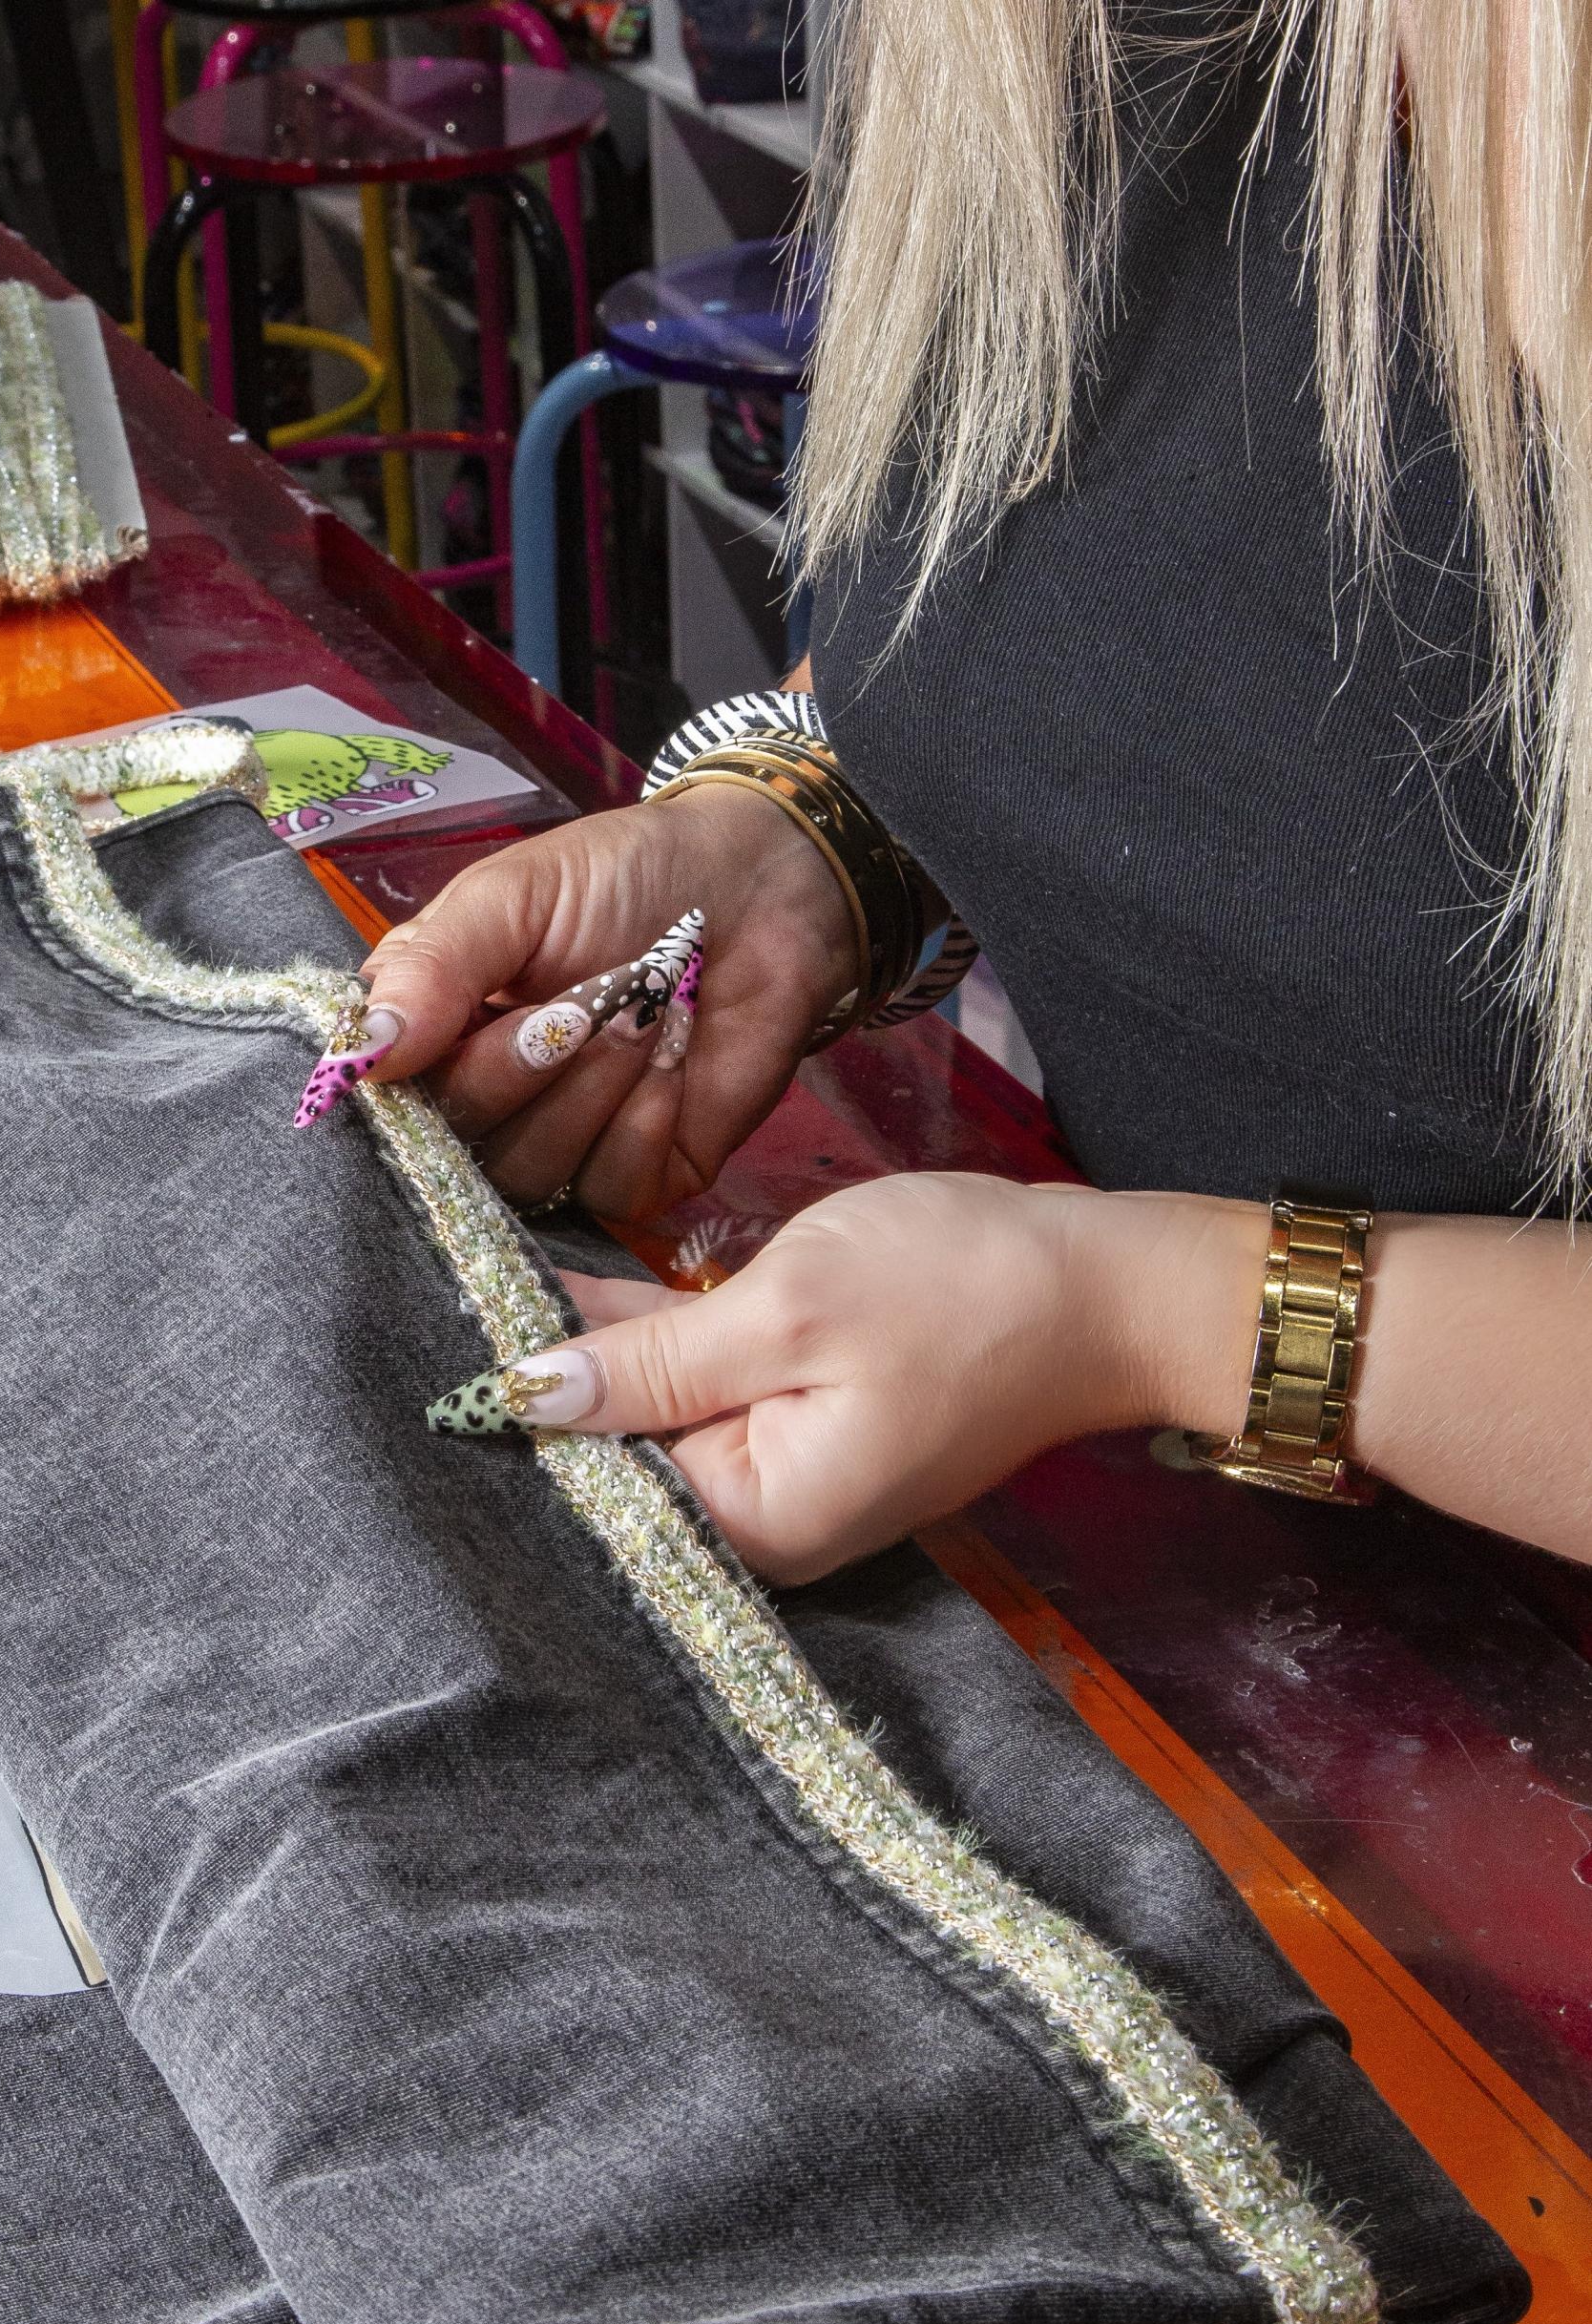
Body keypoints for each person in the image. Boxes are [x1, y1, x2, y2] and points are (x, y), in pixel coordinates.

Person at [321, 0, 1592, 1582]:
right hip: (1234, 1558)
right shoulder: (994, 42)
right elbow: (1135, 622)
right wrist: (803, 841)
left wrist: (1139, 1313)